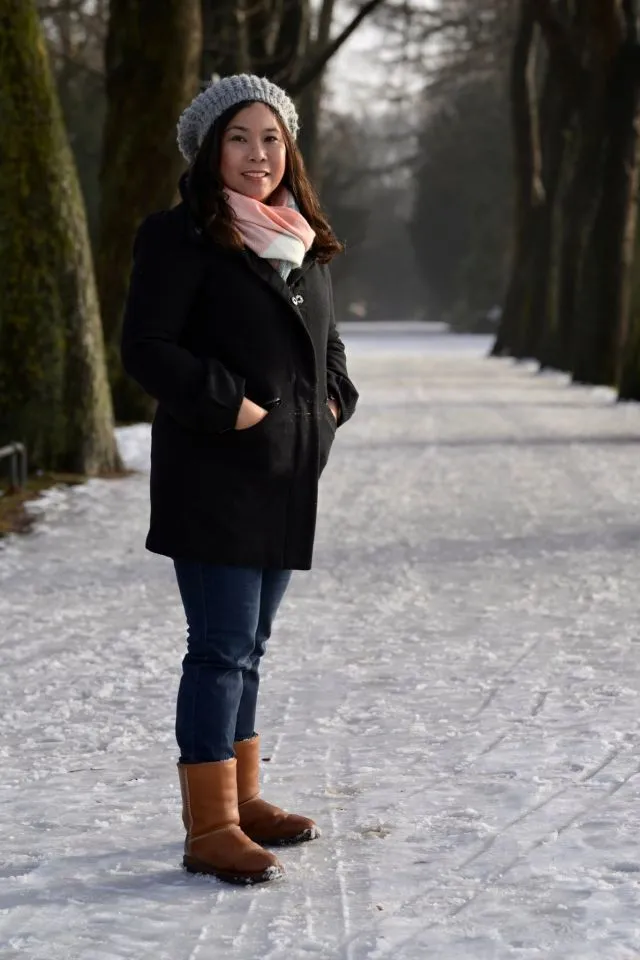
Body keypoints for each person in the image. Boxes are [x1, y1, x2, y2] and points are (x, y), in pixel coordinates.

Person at [121, 74, 359, 886]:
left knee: (252, 646)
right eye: (238, 138)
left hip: (288, 479)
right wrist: (235, 408)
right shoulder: (179, 237)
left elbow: (326, 348)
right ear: (208, 149)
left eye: (270, 138)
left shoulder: (303, 238)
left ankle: (244, 799)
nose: (258, 155)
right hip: (215, 474)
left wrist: (332, 404)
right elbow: (148, 348)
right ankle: (210, 825)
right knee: (219, 649)